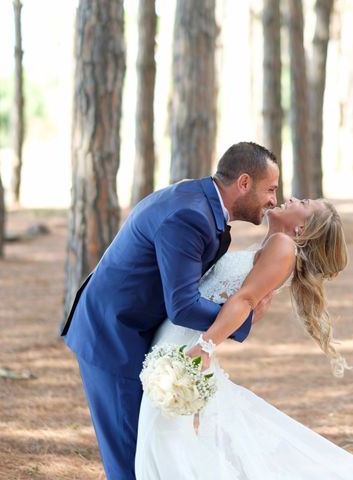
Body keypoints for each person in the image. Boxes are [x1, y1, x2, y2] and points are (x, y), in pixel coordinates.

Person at [61, 142, 280, 480]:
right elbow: (182, 305)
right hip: (113, 335)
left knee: (147, 451)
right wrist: (239, 320)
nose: (274, 200)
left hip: (137, 332)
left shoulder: (202, 205)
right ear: (245, 182)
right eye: (271, 189)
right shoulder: (190, 215)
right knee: (130, 459)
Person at [135, 197, 353, 479]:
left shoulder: (283, 246)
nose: (292, 197)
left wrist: (205, 347)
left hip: (191, 345)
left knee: (163, 435)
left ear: (301, 228)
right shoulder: (270, 246)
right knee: (163, 435)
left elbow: (245, 299)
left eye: (303, 203)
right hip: (178, 334)